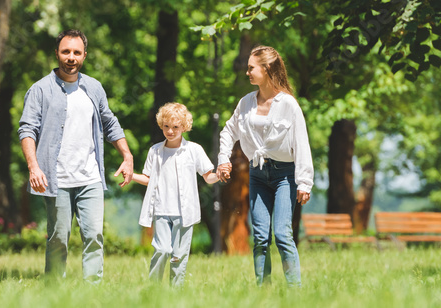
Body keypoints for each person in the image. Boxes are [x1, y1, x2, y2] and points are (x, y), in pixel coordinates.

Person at [18, 29, 134, 283]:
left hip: (89, 177)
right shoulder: (40, 90)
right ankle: (53, 291)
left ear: (84, 55)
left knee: (94, 236)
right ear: (57, 54)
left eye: (77, 52)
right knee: (58, 238)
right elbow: (27, 129)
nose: (71, 57)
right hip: (55, 179)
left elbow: (110, 122)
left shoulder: (93, 87)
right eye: (66, 51)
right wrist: (34, 167)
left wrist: (126, 155)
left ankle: (92, 293)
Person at [217, 45, 313, 287]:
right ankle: (264, 292)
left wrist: (304, 182)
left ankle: (295, 293)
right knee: (260, 237)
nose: (247, 72)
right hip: (257, 174)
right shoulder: (246, 103)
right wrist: (223, 159)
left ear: (267, 68)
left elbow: (301, 142)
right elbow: (228, 132)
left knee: (282, 234)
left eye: (251, 68)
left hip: (285, 176)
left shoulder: (288, 104)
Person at [132, 103, 219, 286]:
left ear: (184, 127)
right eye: (166, 126)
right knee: (162, 250)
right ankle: (153, 288)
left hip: (185, 214)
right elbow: (149, 179)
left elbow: (208, 177)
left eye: (175, 127)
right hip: (161, 210)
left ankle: (175, 294)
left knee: (178, 256)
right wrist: (131, 175)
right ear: (161, 125)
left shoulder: (194, 150)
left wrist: (220, 174)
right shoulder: (155, 151)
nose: (170, 131)